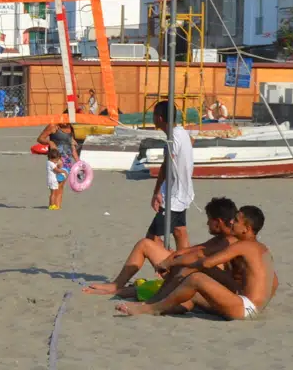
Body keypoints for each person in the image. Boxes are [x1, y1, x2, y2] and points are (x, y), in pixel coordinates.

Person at [118, 206, 276, 319]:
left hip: (245, 307)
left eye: (236, 220)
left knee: (196, 278)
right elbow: (274, 281)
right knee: (191, 292)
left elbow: (206, 263)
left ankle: (151, 308)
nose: (232, 223)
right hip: (252, 307)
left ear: (246, 228)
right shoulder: (262, 249)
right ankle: (164, 304)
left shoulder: (243, 245)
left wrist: (184, 267)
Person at [83, 197, 238, 298]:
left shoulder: (230, 242)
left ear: (217, 221)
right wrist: (171, 258)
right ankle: (116, 285)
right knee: (145, 244)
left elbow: (202, 259)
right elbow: (194, 249)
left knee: (174, 263)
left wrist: (172, 262)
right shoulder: (221, 238)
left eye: (209, 220)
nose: (207, 224)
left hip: (211, 286)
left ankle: (119, 289)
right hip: (196, 275)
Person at [147, 99, 194, 251]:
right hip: (183, 193)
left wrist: (157, 192)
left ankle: (170, 265)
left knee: (152, 238)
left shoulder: (173, 138)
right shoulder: (182, 133)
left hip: (174, 197)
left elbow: (167, 165)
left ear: (160, 118)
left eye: (154, 115)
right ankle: (184, 268)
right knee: (180, 232)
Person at [46, 146, 67, 211]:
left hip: (50, 179)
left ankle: (50, 205)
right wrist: (64, 171)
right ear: (51, 158)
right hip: (53, 180)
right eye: (56, 160)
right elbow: (56, 170)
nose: (56, 161)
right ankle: (52, 206)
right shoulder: (52, 164)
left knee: (52, 193)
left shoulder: (48, 162)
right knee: (53, 194)